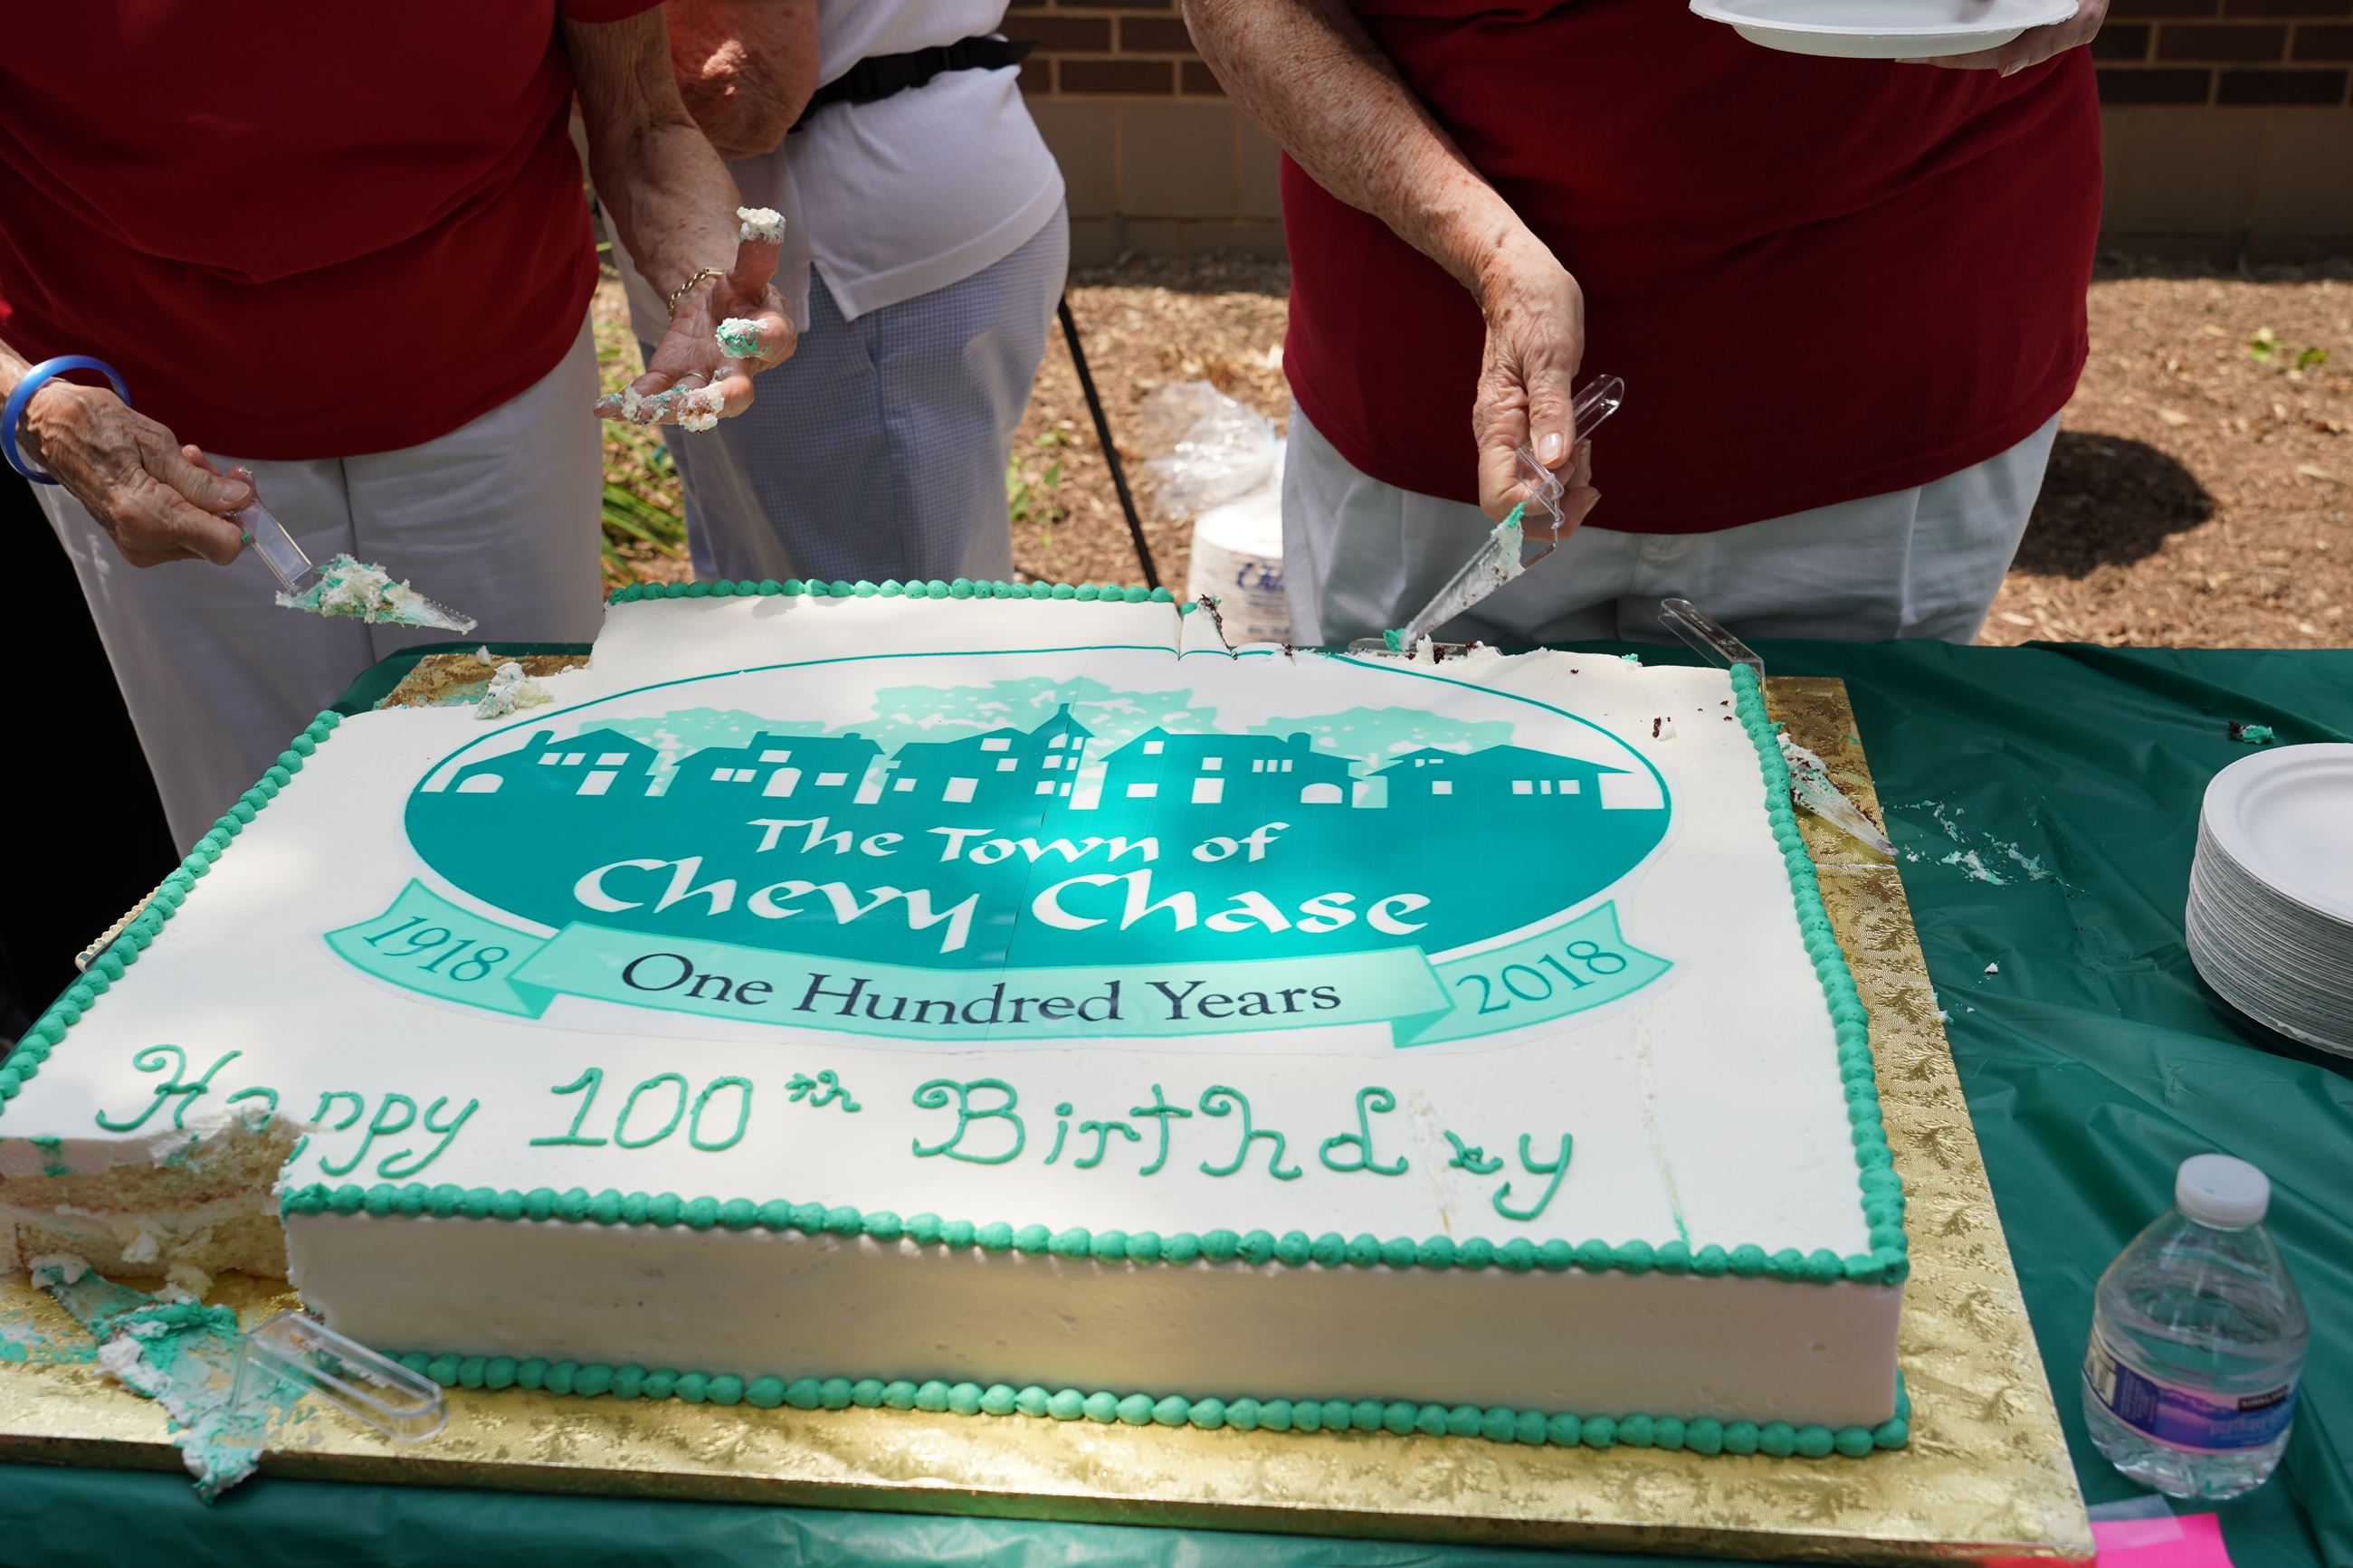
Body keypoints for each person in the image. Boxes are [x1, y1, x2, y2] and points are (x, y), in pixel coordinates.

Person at [1, 5, 792, 848]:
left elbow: (641, 122)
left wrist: (704, 274)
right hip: (158, 433)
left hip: (498, 376)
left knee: (532, 812)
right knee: (264, 851)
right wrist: (35, 404)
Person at [1182, 0, 2108, 647]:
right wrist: (1492, 257)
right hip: (1434, 391)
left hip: (1889, 376)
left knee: (1842, 850)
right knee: (1427, 825)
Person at [608, 0, 1068, 585]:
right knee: (771, 603)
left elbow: (733, 85)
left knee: (885, 640)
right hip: (934, 176)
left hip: (838, 270)